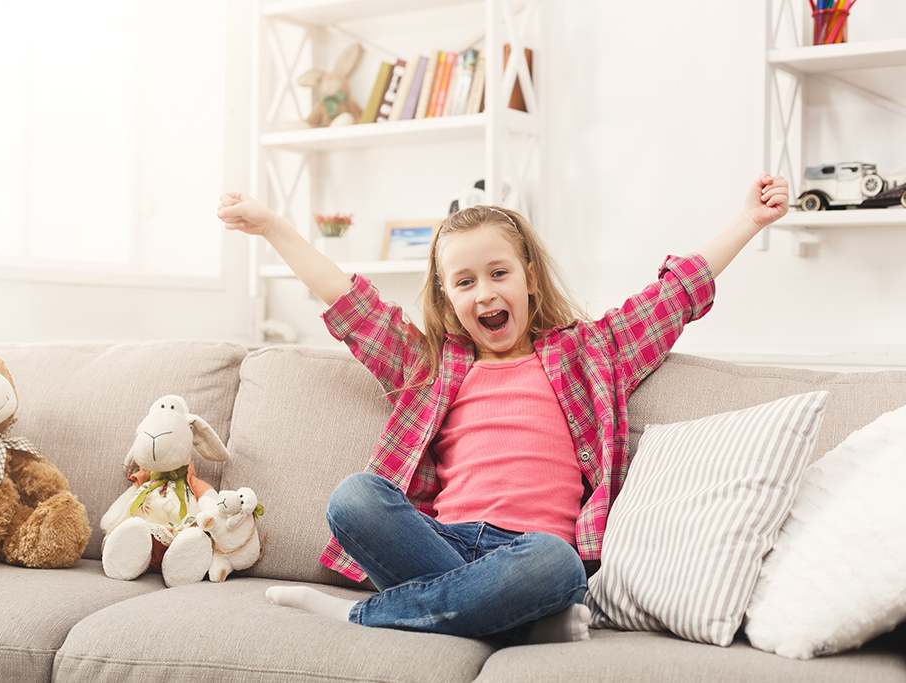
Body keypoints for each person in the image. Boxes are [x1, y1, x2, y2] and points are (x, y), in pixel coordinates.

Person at [216, 173, 789, 647]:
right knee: (354, 498)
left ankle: (367, 615)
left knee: (557, 564)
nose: (485, 293)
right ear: (447, 298)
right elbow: (350, 302)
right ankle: (521, 622)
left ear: (529, 278)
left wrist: (749, 221)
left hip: (530, 552)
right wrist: (270, 226)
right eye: (464, 282)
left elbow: (674, 297)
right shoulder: (430, 365)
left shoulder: (591, 352)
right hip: (441, 541)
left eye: (498, 273)